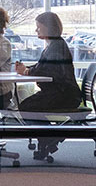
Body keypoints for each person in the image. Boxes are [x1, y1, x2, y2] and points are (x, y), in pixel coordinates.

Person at [14, 12, 83, 160]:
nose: (36, 30)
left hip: (64, 95)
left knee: (26, 108)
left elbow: (47, 70)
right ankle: (48, 139)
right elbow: (43, 67)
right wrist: (26, 69)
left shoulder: (56, 47)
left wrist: (26, 71)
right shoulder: (55, 44)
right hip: (61, 93)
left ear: (49, 28)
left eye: (39, 27)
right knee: (29, 106)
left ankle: (48, 138)